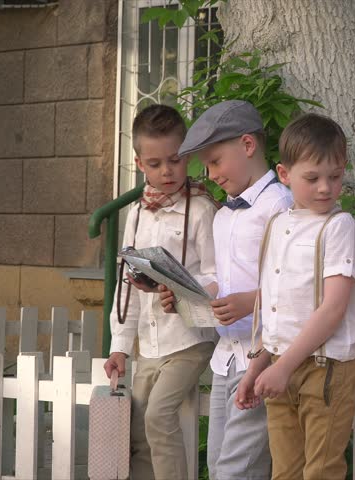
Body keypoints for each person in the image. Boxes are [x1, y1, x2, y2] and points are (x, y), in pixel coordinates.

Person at [159, 100, 290, 479]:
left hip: (263, 356)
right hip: (226, 358)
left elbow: (295, 284)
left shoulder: (279, 206)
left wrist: (252, 302)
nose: (209, 173)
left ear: (248, 145)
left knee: (236, 471)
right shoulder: (223, 215)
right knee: (217, 464)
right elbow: (221, 279)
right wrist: (185, 292)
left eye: (215, 161)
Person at [235, 113, 355, 480]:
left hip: (325, 369)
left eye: (335, 177)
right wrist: (257, 367)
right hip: (280, 364)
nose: (325, 187)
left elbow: (333, 309)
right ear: (284, 174)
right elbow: (273, 308)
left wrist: (283, 367)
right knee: (285, 473)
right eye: (312, 178)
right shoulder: (278, 225)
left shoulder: (340, 227)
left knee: (320, 472)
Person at [103, 103, 218, 480]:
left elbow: (218, 276)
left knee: (159, 414)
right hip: (148, 343)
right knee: (138, 427)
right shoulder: (136, 213)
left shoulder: (201, 210)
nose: (166, 171)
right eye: (155, 164)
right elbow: (127, 287)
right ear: (139, 164)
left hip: (189, 340)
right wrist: (119, 346)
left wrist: (183, 291)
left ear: (187, 156)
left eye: (175, 159)